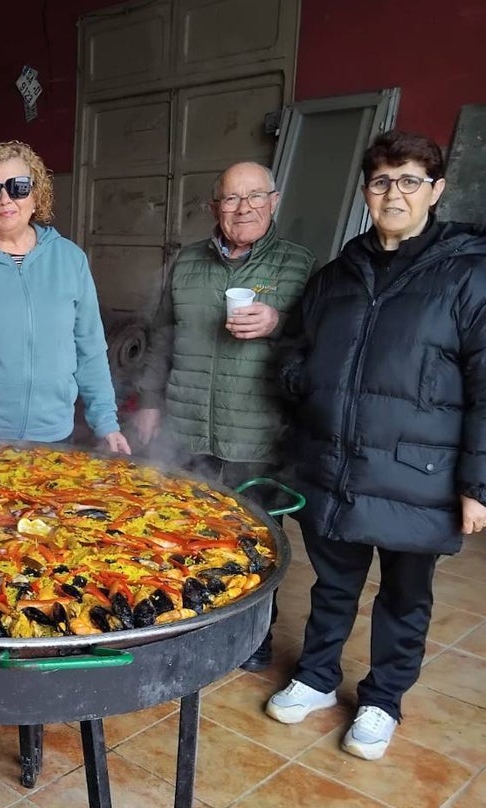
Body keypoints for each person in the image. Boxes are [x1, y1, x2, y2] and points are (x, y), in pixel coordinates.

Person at [265, 130, 486, 760]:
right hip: (334, 462)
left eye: (410, 180)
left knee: (404, 596)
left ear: (436, 190)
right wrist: (300, 380)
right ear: (366, 191)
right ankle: (315, 676)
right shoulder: (337, 275)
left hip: (422, 471)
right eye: (382, 181)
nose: (394, 193)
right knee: (332, 583)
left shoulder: (469, 276)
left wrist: (477, 485)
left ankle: (383, 700)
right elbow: (297, 348)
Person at [132, 161, 316, 671]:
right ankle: (188, 627)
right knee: (181, 533)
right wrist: (148, 402)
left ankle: (254, 638)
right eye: (232, 199)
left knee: (257, 541)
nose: (243, 209)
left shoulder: (299, 265)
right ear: (215, 207)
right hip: (185, 428)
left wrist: (279, 323)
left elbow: (319, 343)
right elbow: (159, 340)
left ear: (274, 201)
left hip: (257, 431)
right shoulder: (186, 263)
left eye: (255, 197)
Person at [0, 140, 129, 453]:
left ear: (36, 195)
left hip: (53, 435)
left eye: (18, 187)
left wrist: (107, 423)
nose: (5, 200)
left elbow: (90, 350)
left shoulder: (71, 261)